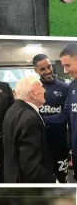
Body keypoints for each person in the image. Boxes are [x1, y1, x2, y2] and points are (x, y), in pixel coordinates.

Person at [3, 76, 56, 183]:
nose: (44, 90)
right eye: (41, 87)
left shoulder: (12, 110)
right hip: (28, 182)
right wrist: (51, 181)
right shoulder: (30, 119)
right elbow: (31, 165)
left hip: (12, 176)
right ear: (33, 94)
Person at [33, 54, 69, 183]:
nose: (47, 71)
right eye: (42, 69)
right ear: (35, 70)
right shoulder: (33, 88)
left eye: (49, 67)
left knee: (63, 179)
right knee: (45, 180)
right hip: (41, 144)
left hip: (60, 143)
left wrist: (42, 120)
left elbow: (66, 115)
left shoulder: (64, 88)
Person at [43, 43, 77, 182]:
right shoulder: (73, 86)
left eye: (67, 65)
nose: (65, 70)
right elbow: (65, 115)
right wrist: (39, 119)